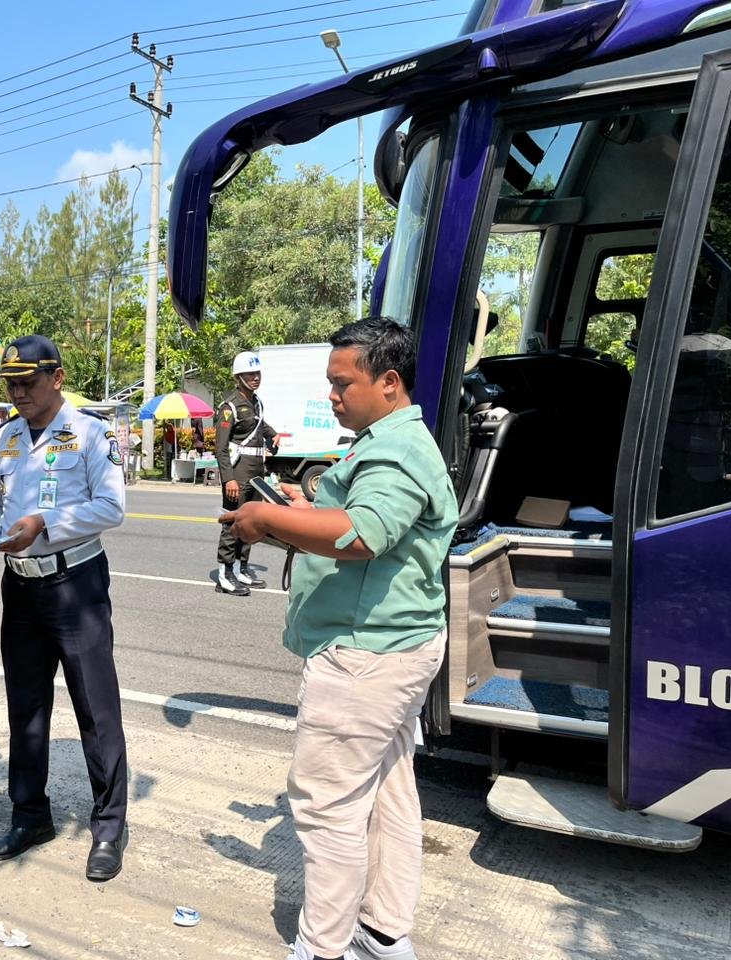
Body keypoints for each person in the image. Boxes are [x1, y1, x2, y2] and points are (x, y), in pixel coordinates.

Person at [220, 318, 458, 960]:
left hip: (366, 655)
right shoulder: (389, 441)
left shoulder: (395, 450)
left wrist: (268, 518)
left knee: (327, 805)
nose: (331, 395)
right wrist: (300, 509)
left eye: (342, 383)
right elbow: (358, 515)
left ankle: (322, 948)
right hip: (393, 645)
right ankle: (382, 932)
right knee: (386, 791)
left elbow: (364, 534)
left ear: (389, 382)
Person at [0, 335, 130, 882]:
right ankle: (29, 816)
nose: (18, 393)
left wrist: (46, 524)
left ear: (57, 378)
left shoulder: (90, 432)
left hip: (75, 585)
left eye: (28, 382)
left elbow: (111, 507)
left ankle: (108, 826)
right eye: (11, 385)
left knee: (96, 708)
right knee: (26, 708)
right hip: (19, 588)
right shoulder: (8, 436)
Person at [214, 351, 279, 596]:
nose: (255, 377)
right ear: (238, 377)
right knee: (233, 522)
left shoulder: (256, 403)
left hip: (256, 471)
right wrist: (228, 478)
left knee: (251, 524)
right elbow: (220, 448)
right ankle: (225, 574)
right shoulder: (229, 407)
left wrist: (273, 434)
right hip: (238, 472)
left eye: (257, 373)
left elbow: (258, 424)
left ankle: (241, 568)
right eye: (250, 374)